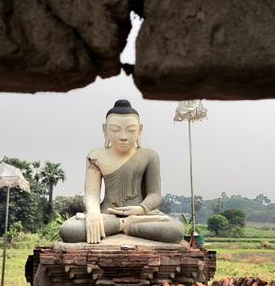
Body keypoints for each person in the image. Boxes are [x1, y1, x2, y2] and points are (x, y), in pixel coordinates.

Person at [58, 99, 184, 244]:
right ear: (105, 130)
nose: (123, 136)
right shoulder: (95, 156)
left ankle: (121, 226)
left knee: (175, 231)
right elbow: (92, 193)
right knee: (69, 230)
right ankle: (125, 225)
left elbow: (155, 195)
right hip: (106, 215)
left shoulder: (150, 156)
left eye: (131, 130)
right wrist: (93, 213)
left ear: (140, 130)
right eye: (115, 130)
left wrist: (141, 209)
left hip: (141, 216)